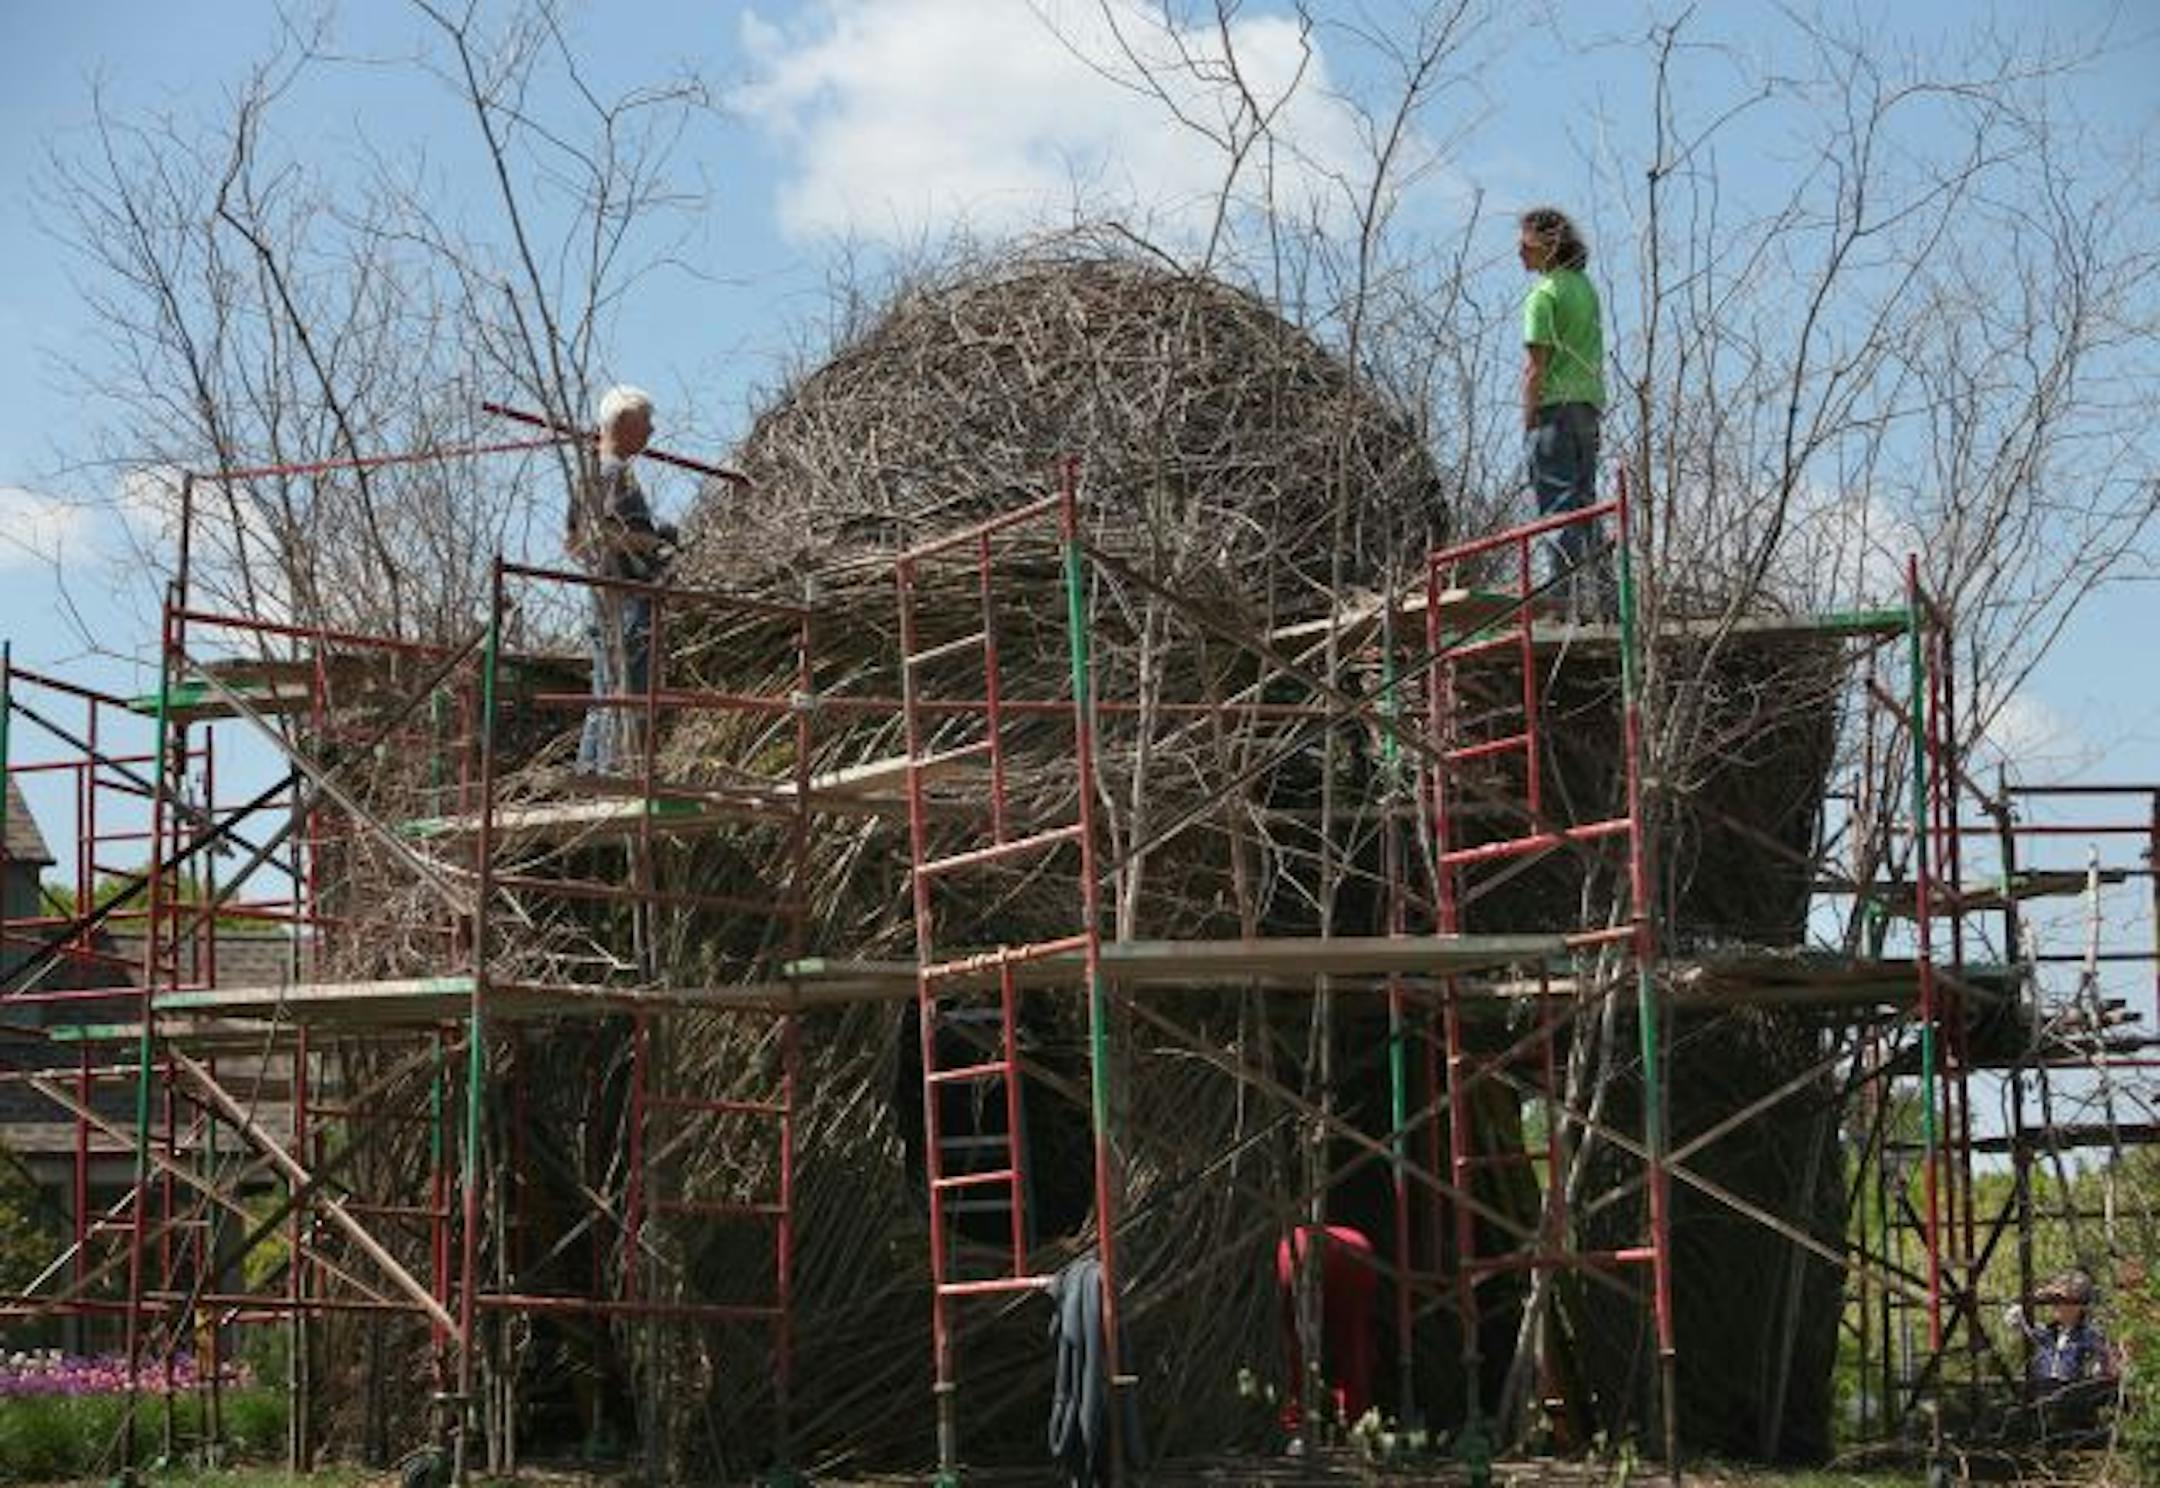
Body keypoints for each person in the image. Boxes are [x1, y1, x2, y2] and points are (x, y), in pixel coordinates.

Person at [573, 385, 677, 775]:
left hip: (604, 595)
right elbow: (596, 535)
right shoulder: (613, 473)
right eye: (646, 421)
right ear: (623, 422)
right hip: (625, 596)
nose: (651, 431)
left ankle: (591, 770)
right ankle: (615, 770)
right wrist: (652, 540)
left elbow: (574, 540)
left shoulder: (593, 473)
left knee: (606, 687)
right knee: (626, 685)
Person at [1517, 206, 1606, 607]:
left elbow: (1536, 369)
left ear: (1548, 245)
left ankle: (1563, 604)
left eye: (1526, 243)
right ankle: (1608, 600)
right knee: (1586, 505)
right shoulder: (1584, 287)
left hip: (1554, 408)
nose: (1519, 251)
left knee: (1557, 510)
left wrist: (1529, 420)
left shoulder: (1544, 295)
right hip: (1588, 406)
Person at [1275, 1224, 1379, 1445]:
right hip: (1357, 1249)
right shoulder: (1351, 1239)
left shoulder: (1290, 1243)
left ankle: (1297, 1423)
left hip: (1298, 1252)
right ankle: (1355, 1421)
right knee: (1353, 1341)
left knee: (1295, 1342)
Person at [2005, 1269, 2116, 1396]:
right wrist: (2040, 1295)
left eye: (2061, 1299)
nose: (2054, 1304)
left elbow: (2101, 1378)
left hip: (2073, 1401)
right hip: (2041, 1399)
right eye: (2053, 1300)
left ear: (2078, 1304)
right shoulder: (2046, 1334)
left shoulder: (2090, 1336)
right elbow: (2012, 1318)